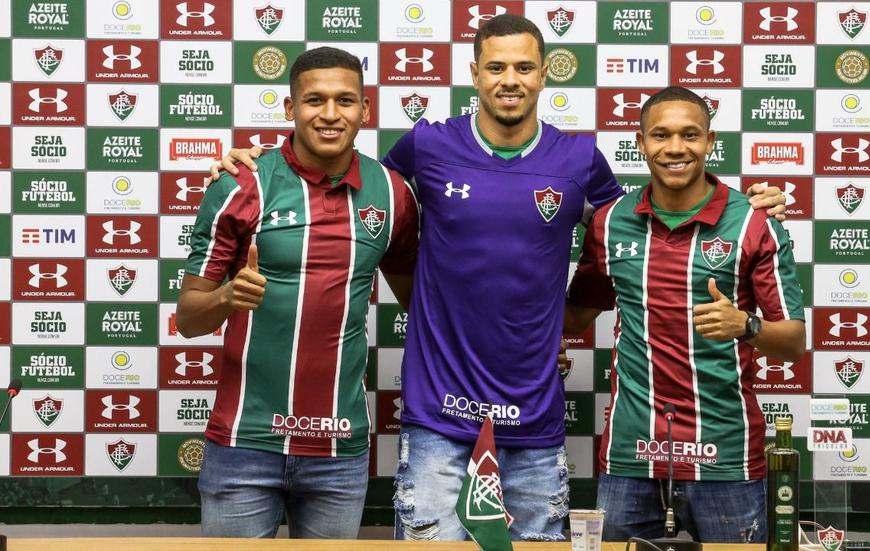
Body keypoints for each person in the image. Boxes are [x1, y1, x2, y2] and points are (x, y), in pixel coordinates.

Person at [213, 15, 786, 542]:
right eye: (496, 67)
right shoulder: (428, 145)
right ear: (475, 74)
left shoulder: (579, 160)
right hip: (437, 411)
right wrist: (262, 164)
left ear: (545, 74)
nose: (510, 80)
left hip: (533, 416)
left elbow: (648, 218)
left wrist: (749, 205)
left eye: (523, 67)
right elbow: (347, 182)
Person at [176, 46, 419, 538]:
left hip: (338, 448)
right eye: (314, 100)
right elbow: (188, 319)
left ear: (365, 109)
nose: (330, 114)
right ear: (290, 108)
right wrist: (227, 298)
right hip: (245, 444)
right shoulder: (241, 184)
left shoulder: (392, 193)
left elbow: (425, 306)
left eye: (344, 100)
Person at [563, 86, 806, 543]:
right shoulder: (609, 222)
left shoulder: (754, 222)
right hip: (631, 456)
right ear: (641, 143)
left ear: (710, 141)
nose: (675, 147)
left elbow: (793, 343)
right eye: (661, 135)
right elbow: (574, 318)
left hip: (726, 459)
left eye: (690, 135)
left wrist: (745, 325)